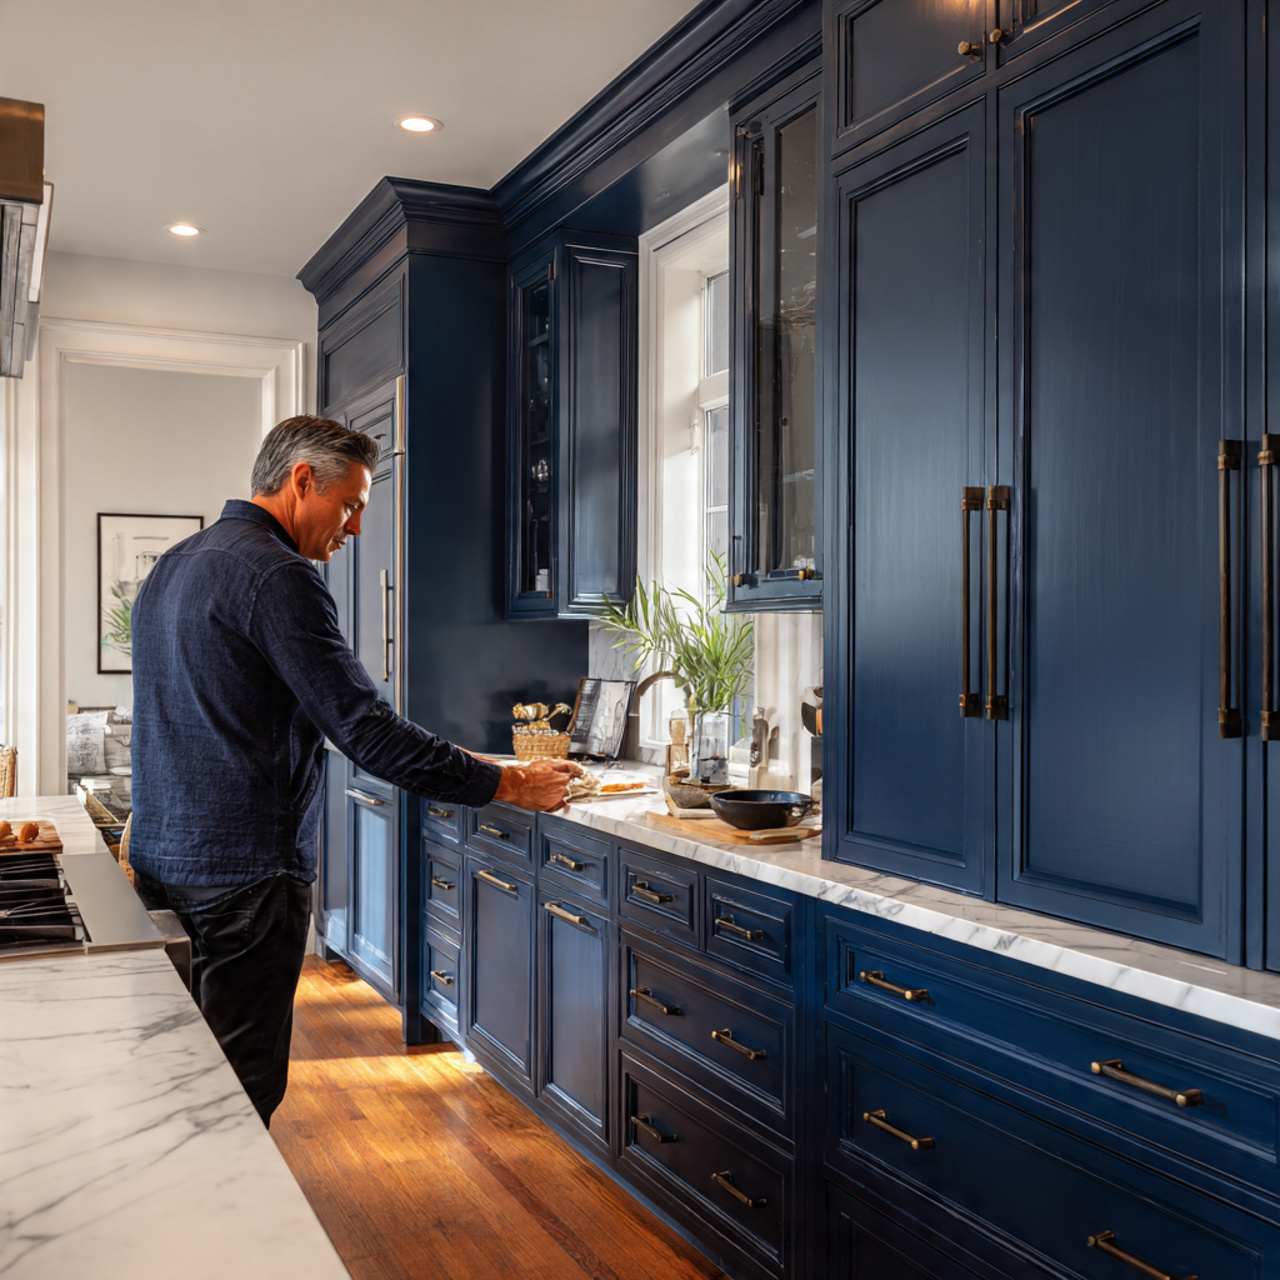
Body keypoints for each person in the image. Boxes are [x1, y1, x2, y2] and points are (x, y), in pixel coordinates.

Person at [129, 415, 579, 1125]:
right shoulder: (279, 576)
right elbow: (368, 731)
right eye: (351, 504)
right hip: (245, 878)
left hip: (164, 860)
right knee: (239, 1097)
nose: (356, 527)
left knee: (178, 1080)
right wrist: (510, 782)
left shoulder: (175, 564)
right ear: (301, 480)